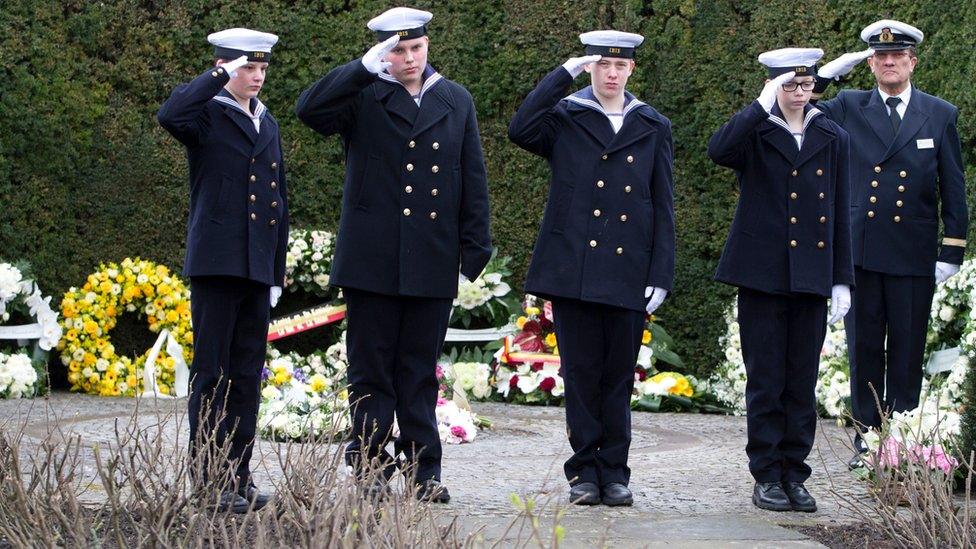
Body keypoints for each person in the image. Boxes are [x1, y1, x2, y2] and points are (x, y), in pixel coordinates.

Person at [295, 7, 492, 503]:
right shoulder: (363, 94)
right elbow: (308, 111)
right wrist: (361, 69)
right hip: (372, 259)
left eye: (415, 48)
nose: (408, 59)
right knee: (371, 369)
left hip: (431, 255)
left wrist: (474, 248)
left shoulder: (455, 98)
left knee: (419, 370)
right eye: (397, 50)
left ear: (428, 46)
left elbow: (471, 175)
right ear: (383, 53)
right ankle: (371, 467)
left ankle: (425, 472)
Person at [508, 30, 675, 507]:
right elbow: (520, 128)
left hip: (627, 270)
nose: (612, 73)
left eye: (620, 66)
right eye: (602, 65)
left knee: (619, 377)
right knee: (582, 375)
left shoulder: (652, 123)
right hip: (574, 268)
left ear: (631, 71)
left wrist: (661, 273)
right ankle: (584, 471)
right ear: (592, 68)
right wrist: (563, 73)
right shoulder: (566, 117)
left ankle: (615, 472)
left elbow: (663, 203)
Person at [810, 20, 969, 468]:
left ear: (912, 61)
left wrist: (951, 249)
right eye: (880, 57)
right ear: (871, 65)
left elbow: (952, 187)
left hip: (913, 251)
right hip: (861, 249)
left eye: (897, 56)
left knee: (906, 346)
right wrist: (829, 74)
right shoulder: (849, 105)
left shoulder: (939, 113)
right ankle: (867, 437)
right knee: (864, 347)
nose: (888, 61)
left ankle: (901, 437)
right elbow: (803, 105)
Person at [708, 48, 854, 513]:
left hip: (811, 273)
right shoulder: (754, 132)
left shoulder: (832, 135)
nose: (799, 93)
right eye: (789, 85)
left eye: (806, 85)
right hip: (762, 273)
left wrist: (841, 279)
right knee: (766, 379)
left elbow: (841, 213)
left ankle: (796, 472)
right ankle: (767, 474)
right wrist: (759, 105)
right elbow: (718, 150)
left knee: (800, 381)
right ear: (773, 86)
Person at [157, 28, 287, 513]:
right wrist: (216, 75)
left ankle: (239, 474)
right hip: (217, 264)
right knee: (211, 375)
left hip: (255, 267)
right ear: (226, 67)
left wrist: (276, 269)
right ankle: (210, 479)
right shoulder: (207, 114)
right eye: (246, 67)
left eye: (261, 68)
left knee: (246, 376)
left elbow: (279, 201)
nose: (256, 76)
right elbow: (171, 113)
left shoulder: (265, 121)